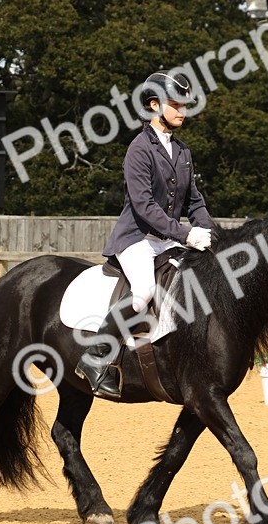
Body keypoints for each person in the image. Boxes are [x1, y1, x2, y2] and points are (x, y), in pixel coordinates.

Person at [75, 70, 215, 399]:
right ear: (154, 105)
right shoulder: (138, 149)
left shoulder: (182, 151)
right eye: (176, 104)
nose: (183, 110)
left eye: (185, 105)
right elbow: (144, 206)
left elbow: (195, 200)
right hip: (136, 238)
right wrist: (186, 234)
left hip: (167, 240)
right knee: (143, 292)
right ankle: (95, 356)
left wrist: (208, 231)